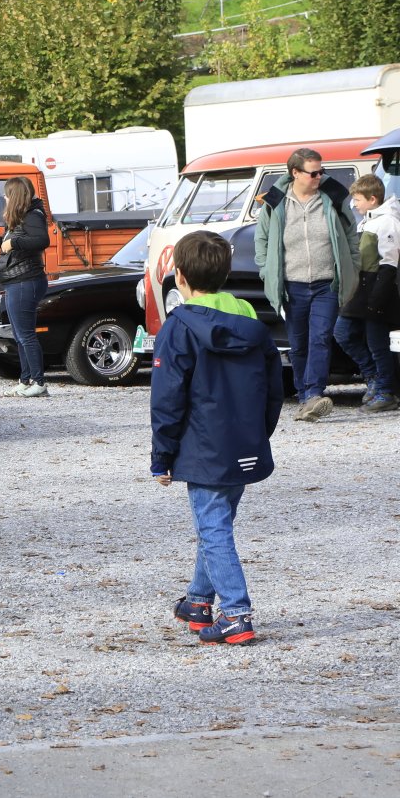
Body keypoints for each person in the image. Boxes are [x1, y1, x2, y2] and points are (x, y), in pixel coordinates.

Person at [151, 230, 281, 645]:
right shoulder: (251, 321)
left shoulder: (179, 327)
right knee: (217, 523)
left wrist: (162, 456)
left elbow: (167, 399)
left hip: (204, 447)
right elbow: (274, 389)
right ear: (225, 273)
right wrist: (258, 435)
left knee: (213, 528)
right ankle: (198, 601)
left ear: (180, 275)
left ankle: (237, 613)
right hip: (243, 442)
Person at [254, 148, 357, 422]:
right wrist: (266, 269)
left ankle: (313, 393)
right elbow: (261, 239)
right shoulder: (275, 201)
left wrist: (353, 267)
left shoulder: (332, 197)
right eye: (313, 173)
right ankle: (304, 398)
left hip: (327, 283)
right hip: (292, 285)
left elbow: (351, 233)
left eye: (321, 171)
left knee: (320, 338)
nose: (319, 176)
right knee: (298, 344)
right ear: (295, 173)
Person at [332, 174, 400, 412]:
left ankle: (386, 391)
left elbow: (389, 265)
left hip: (377, 293)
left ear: (372, 199)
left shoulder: (388, 223)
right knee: (342, 332)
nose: (355, 204)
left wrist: (376, 300)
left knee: (377, 344)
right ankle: (373, 376)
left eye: (358, 199)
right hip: (359, 292)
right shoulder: (365, 222)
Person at [0, 176, 51, 397]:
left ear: (15, 195)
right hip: (16, 281)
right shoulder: (20, 216)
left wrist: (13, 242)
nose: (5, 197)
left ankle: (39, 383)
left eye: (7, 194)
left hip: (26, 281)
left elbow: (42, 241)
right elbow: (14, 246)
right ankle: (25, 380)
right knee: (19, 335)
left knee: (26, 335)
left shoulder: (33, 215)